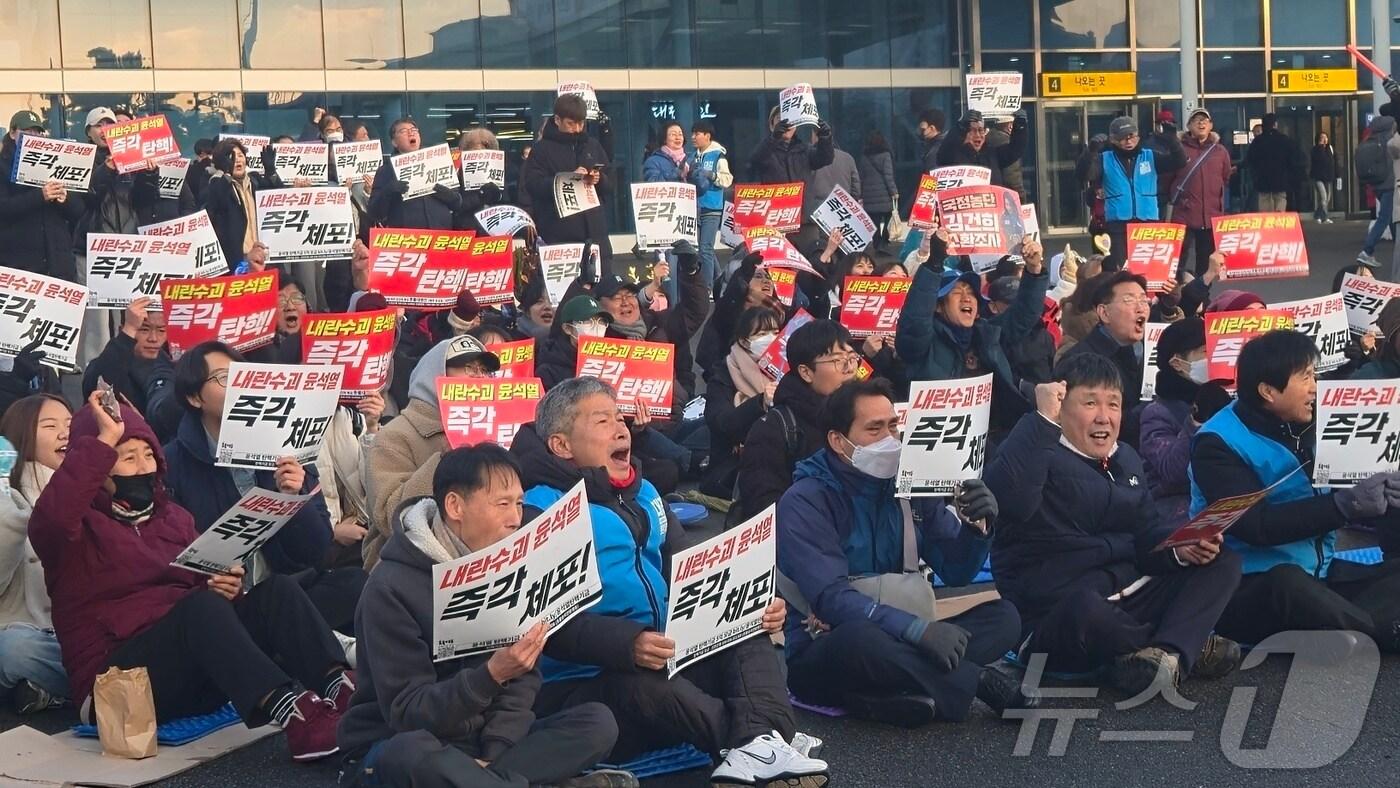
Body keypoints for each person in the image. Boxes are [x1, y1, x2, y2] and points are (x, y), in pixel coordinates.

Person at [509, 379, 829, 785]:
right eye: (603, 421)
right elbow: (539, 620)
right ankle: (756, 742)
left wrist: (750, 600)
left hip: (663, 653)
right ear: (561, 445)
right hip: (582, 685)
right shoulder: (540, 509)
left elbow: (688, 570)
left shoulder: (645, 493)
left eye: (620, 418)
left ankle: (761, 742)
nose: (621, 429)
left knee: (746, 627)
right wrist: (628, 644)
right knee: (644, 687)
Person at [29, 394, 351, 761]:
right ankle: (296, 717)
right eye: (127, 457)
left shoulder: (174, 518)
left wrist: (225, 588)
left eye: (148, 455)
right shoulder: (72, 533)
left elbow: (202, 596)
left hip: (190, 668)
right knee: (199, 609)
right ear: (99, 467)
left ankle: (341, 689)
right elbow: (51, 519)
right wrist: (104, 439)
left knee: (277, 591)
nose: (143, 467)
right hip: (117, 686)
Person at [337, 444, 634, 788]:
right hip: (400, 741)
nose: (515, 518)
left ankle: (486, 780)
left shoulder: (514, 563)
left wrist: (495, 751)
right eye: (502, 504)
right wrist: (491, 675)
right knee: (410, 753)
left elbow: (523, 681)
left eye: (519, 503)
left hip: (481, 744)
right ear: (455, 506)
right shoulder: (390, 587)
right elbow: (407, 713)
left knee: (597, 723)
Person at [777, 379, 1033, 726]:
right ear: (838, 441)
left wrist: (977, 529)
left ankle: (887, 694)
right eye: (874, 429)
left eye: (893, 426)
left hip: (899, 624)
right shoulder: (807, 500)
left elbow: (956, 571)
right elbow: (830, 600)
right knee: (859, 639)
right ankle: (975, 681)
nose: (890, 438)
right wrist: (917, 631)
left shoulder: (908, 484)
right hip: (824, 644)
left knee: (1004, 618)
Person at [986, 354, 1243, 693]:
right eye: (1090, 403)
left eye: (1113, 404)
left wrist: (1180, 548)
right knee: (1087, 609)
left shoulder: (1126, 458)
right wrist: (1041, 419)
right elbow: (1010, 502)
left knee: (1223, 561)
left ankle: (1166, 656)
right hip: (1058, 613)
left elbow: (1145, 535)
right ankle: (1180, 645)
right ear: (1060, 404)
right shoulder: (1034, 448)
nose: (1104, 417)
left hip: (1130, 595)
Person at [1190, 330, 1400, 650]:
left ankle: (1349, 631)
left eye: (1314, 375)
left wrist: (1386, 494)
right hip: (1248, 586)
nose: (1315, 387)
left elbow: (1361, 494)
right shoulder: (1217, 443)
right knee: (1288, 584)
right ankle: (1381, 633)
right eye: (1305, 378)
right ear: (1268, 391)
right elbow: (1256, 526)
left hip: (1321, 573)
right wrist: (1343, 505)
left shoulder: (1320, 422)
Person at [161, 342, 363, 634]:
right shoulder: (172, 463)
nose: (237, 386)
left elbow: (317, 550)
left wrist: (293, 498)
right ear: (194, 397)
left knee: (357, 584)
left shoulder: (285, 446)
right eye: (224, 378)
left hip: (291, 590)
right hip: (225, 605)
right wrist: (212, 581)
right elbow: (170, 557)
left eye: (241, 375)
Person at [365, 335, 501, 569]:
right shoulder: (394, 435)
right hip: (410, 567)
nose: (480, 377)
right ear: (435, 375)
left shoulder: (496, 431)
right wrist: (443, 459)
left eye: (484, 371)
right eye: (469, 368)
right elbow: (388, 516)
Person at [895, 231, 1049, 431]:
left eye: (971, 293)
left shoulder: (988, 335)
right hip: (939, 437)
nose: (967, 298)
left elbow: (1023, 314)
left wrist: (1034, 270)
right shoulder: (923, 343)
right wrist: (934, 263)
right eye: (957, 292)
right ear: (938, 306)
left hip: (992, 436)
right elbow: (915, 319)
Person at [735, 320, 857, 520]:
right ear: (806, 372)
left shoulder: (862, 415)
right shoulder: (774, 428)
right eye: (837, 360)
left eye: (852, 358)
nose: (849, 368)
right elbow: (764, 507)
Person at [0, 394, 70, 715]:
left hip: (79, 631)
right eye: (50, 426)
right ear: (22, 437)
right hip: (23, 635)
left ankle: (49, 689)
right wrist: (12, 522)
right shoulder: (9, 497)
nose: (65, 433)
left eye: (70, 424)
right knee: (15, 650)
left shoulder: (96, 491)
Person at [1138, 319, 1232, 528]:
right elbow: (1173, 471)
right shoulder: (1158, 412)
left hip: (1224, 505)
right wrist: (1197, 421)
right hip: (1177, 515)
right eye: (1205, 352)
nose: (1213, 359)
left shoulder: (1227, 400)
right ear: (1177, 363)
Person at [1056, 270, 1151, 448]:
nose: (1140, 308)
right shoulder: (1078, 360)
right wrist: (1149, 412)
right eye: (1129, 300)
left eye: (1144, 300)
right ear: (1104, 313)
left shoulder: (1147, 351)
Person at [1080, 115, 1186, 269]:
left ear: (1138, 137)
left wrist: (1173, 140)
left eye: (1132, 136)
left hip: (1148, 222)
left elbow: (1180, 161)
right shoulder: (1105, 159)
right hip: (1117, 225)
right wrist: (1090, 152)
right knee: (1120, 270)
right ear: (1113, 139)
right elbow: (1084, 174)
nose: (1128, 141)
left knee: (1148, 269)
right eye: (1123, 138)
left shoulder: (1150, 156)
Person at [702, 307, 782, 498]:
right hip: (734, 465)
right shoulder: (724, 375)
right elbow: (721, 422)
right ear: (744, 341)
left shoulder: (785, 369)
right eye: (762, 334)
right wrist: (760, 403)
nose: (771, 339)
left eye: (775, 333)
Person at [522, 95, 613, 261]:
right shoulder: (541, 150)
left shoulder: (592, 145)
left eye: (581, 123)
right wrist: (568, 179)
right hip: (559, 234)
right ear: (557, 120)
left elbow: (611, 182)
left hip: (596, 232)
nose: (577, 129)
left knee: (602, 276)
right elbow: (532, 185)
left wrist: (599, 179)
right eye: (571, 124)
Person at [0, 110, 85, 281]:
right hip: (19, 264)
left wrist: (65, 199)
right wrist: (40, 196)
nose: (33, 136)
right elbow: (4, 208)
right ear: (13, 133)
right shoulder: (3, 165)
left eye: (37, 132)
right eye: (27, 131)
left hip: (58, 262)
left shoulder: (59, 163)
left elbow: (79, 211)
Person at [1164, 108, 1234, 277]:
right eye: (1196, 120)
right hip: (1183, 215)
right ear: (1189, 126)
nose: (1201, 123)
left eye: (1205, 120)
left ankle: (1201, 291)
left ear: (1211, 125)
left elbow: (1225, 177)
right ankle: (1177, 290)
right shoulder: (1178, 149)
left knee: (1206, 262)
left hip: (1210, 216)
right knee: (1177, 260)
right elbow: (1167, 179)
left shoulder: (1220, 151)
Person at [368, 117, 462, 233]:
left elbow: (457, 203)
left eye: (414, 130)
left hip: (440, 237)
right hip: (408, 239)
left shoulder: (438, 163)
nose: (410, 133)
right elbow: (374, 213)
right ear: (394, 142)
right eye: (403, 131)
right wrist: (389, 191)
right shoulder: (385, 171)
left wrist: (444, 193)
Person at [80, 297, 166, 413]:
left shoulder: (173, 366)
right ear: (123, 330)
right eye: (144, 329)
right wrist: (130, 328)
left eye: (161, 330)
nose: (153, 338)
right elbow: (99, 387)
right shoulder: (106, 363)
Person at [203, 138, 274, 271]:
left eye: (240, 155)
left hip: (263, 255)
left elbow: (278, 196)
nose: (237, 160)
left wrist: (271, 171)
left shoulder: (255, 180)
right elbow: (216, 203)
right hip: (238, 260)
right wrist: (227, 174)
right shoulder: (216, 183)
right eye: (231, 157)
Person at [688, 120, 732, 291]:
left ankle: (706, 288)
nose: (693, 137)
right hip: (695, 207)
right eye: (692, 133)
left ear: (707, 136)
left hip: (712, 207)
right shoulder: (692, 156)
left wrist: (711, 175)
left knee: (705, 248)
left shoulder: (718, 156)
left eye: (697, 133)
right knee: (704, 248)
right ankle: (719, 281)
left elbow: (727, 180)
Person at [936, 109, 1028, 187]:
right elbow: (944, 151)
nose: (978, 135)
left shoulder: (994, 154)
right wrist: (959, 126)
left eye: (981, 130)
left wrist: (1020, 125)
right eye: (973, 130)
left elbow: (1015, 149)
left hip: (991, 201)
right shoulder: (953, 155)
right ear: (964, 133)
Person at [747, 106, 835, 185]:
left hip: (802, 198)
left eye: (790, 119)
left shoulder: (805, 150)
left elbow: (826, 158)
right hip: (775, 198)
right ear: (772, 125)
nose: (786, 124)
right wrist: (774, 138)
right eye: (780, 119)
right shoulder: (766, 150)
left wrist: (825, 136)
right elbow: (754, 162)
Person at [1358, 115, 1395, 268]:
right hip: (1390, 184)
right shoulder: (1390, 141)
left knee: (1392, 217)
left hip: (1377, 185)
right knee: (1385, 218)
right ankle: (1367, 250)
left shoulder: (1370, 140)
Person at [1246, 113, 1300, 214]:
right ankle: (1278, 222)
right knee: (1280, 199)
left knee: (1264, 202)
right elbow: (1292, 159)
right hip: (1280, 179)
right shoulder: (1284, 140)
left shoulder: (1258, 141)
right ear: (1275, 124)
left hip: (1263, 180)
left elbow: (1250, 159)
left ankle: (1267, 222)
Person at [1311, 132, 1336, 223]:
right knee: (1323, 197)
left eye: (1326, 137)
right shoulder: (1315, 149)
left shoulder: (1330, 148)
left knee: (1327, 199)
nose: (1324, 139)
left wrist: (1337, 175)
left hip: (1328, 177)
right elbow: (1320, 159)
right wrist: (1321, 147)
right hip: (1318, 177)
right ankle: (1325, 217)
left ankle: (1317, 214)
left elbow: (1334, 162)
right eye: (1322, 137)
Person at [918, 108, 947, 173]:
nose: (918, 132)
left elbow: (930, 176)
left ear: (932, 128)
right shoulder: (947, 143)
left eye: (922, 130)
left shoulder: (933, 151)